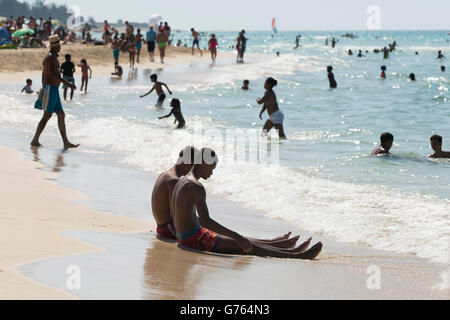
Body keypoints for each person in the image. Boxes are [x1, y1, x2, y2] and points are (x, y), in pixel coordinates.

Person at [171, 148, 323, 259]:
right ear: (204, 162)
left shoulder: (183, 180)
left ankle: (278, 244)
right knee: (245, 245)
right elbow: (206, 221)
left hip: (186, 236)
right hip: (193, 239)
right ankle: (296, 255)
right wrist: (237, 237)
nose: (211, 173)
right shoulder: (195, 186)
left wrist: (237, 237)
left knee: (243, 239)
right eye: (211, 168)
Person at [31, 35, 78, 150]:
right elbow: (51, 75)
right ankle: (35, 140)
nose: (60, 47)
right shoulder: (50, 58)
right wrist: (67, 84)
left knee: (61, 115)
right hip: (50, 89)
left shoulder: (53, 57)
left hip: (54, 90)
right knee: (47, 115)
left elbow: (50, 74)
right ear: (56, 46)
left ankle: (66, 142)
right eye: (59, 46)